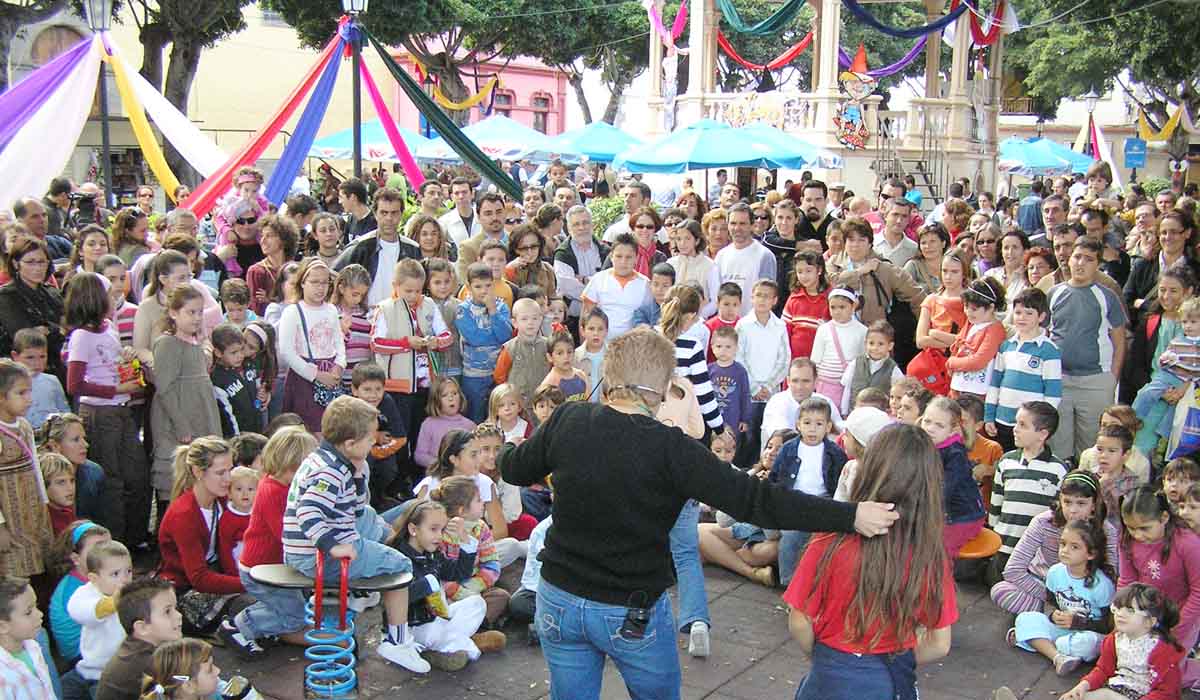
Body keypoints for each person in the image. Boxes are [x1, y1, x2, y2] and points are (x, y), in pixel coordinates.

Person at [499, 326, 900, 700]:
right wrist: (849, 516)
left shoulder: (569, 418)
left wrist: (500, 447)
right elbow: (759, 501)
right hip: (629, 610)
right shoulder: (673, 449)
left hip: (559, 599)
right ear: (662, 388)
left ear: (610, 377)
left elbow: (515, 467)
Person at [783, 424, 954, 700]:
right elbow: (939, 644)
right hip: (888, 678)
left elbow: (799, 620)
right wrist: (897, 657)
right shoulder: (928, 554)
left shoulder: (830, 538)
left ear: (869, 470)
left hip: (829, 675)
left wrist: (822, 657)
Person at [282, 396, 427, 672]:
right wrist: (333, 547)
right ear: (349, 444)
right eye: (370, 439)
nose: (374, 443)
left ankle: (371, 572)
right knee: (400, 566)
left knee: (373, 518)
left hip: (332, 534)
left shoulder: (330, 459)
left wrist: (360, 475)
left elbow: (356, 508)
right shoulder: (330, 473)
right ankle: (396, 642)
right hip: (317, 554)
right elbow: (308, 511)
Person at [990, 471, 1119, 614]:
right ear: (1060, 500)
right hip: (1044, 584)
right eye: (1067, 502)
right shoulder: (1043, 522)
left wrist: (1080, 598)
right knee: (1001, 591)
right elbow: (1013, 569)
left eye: (1081, 503)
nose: (1073, 511)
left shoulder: (1107, 531)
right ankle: (1048, 616)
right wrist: (1054, 598)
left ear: (1094, 504)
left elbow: (1110, 575)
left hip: (1086, 591)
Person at [386, 498, 491, 671]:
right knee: (437, 632)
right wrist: (427, 584)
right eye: (433, 529)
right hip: (415, 625)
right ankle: (451, 645)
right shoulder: (398, 557)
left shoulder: (432, 554)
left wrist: (465, 540)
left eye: (442, 530)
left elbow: (458, 574)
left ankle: (442, 646)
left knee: (477, 603)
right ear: (413, 529)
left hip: (438, 617)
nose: (439, 536)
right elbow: (395, 598)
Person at [1047, 238, 1128, 461]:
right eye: (1077, 257)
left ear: (1098, 264)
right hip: (1058, 381)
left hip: (1095, 381)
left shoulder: (1107, 296)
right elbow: (1042, 334)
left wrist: (1112, 377)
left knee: (1092, 449)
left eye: (1089, 259)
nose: (1081, 263)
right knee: (1058, 447)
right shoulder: (1054, 293)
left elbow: (1120, 340)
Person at [1008, 518, 1114, 675]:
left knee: (1086, 643)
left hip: (1089, 633)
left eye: (1074, 547)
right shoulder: (1055, 572)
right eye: (1063, 544)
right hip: (1063, 629)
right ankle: (1058, 657)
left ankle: (1037, 641)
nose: (1065, 550)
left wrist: (1080, 623)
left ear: (1091, 554)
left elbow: (1109, 625)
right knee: (1025, 618)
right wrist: (1052, 615)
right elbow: (1050, 602)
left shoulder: (1102, 584)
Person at [150, 286, 221, 508]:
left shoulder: (196, 343)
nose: (197, 318)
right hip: (179, 422)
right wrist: (181, 426)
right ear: (173, 312)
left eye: (200, 312)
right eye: (191, 312)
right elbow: (164, 388)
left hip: (201, 414)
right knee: (175, 480)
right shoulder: (168, 343)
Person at [1053, 583, 1184, 700]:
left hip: (1147, 695)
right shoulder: (1115, 639)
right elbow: (1103, 670)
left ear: (1150, 621)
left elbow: (1168, 692)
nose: (1120, 614)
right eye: (1118, 608)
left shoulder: (1162, 649)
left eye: (1131, 610)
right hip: (1116, 688)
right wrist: (1083, 686)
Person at [990, 401, 1069, 571]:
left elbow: (1059, 513)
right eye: (1016, 422)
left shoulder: (1058, 469)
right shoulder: (1007, 461)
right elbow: (996, 503)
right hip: (1003, 547)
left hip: (1035, 553)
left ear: (1042, 434)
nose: (1015, 428)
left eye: (1023, 425)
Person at [984, 288, 1063, 452]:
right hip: (1002, 421)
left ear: (1041, 316)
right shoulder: (1006, 347)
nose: (1022, 318)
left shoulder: (1049, 350)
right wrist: (989, 416)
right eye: (1018, 312)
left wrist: (1042, 425)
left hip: (1030, 428)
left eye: (1029, 313)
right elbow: (995, 384)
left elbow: (1053, 393)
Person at [63, 540, 131, 700]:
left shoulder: (133, 596)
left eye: (128, 571)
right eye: (115, 574)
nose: (125, 579)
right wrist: (112, 603)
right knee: (62, 689)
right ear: (94, 578)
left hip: (118, 673)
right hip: (88, 667)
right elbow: (78, 611)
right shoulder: (85, 593)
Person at [95, 577, 182, 700]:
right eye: (167, 611)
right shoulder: (146, 664)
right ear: (142, 628)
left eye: (176, 608)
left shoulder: (140, 647)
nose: (179, 615)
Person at [0, 237, 65, 382]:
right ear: (16, 264)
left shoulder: (53, 293)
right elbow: (23, 336)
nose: (37, 268)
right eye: (30, 262)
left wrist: (48, 329)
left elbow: (68, 328)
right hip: (21, 374)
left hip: (57, 367)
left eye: (42, 262)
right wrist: (56, 329)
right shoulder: (6, 296)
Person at [581, 233, 651, 339]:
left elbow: (648, 317)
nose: (623, 262)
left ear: (636, 258)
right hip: (601, 346)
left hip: (633, 347)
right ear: (611, 256)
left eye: (628, 257)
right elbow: (585, 316)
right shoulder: (599, 279)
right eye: (619, 256)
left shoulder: (645, 284)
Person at [554, 205, 608, 335]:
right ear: (568, 228)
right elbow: (568, 287)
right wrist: (597, 289)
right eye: (576, 224)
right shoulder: (562, 254)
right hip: (573, 320)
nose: (581, 228)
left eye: (585, 223)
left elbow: (609, 282)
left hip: (603, 319)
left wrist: (585, 279)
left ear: (592, 224)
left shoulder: (606, 251)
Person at [714, 204, 777, 317]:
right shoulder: (721, 256)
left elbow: (767, 295)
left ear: (752, 225)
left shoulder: (765, 256)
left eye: (742, 224)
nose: (737, 228)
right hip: (727, 327)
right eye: (733, 223)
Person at [0, 576, 56, 699]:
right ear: (2, 626)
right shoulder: (3, 676)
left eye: (36, 605)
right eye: (28, 612)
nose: (40, 614)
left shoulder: (33, 646)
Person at [438, 177, 480, 245]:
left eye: (464, 192)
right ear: (451, 197)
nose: (461, 196)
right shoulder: (444, 221)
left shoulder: (483, 216)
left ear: (472, 194)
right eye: (457, 193)